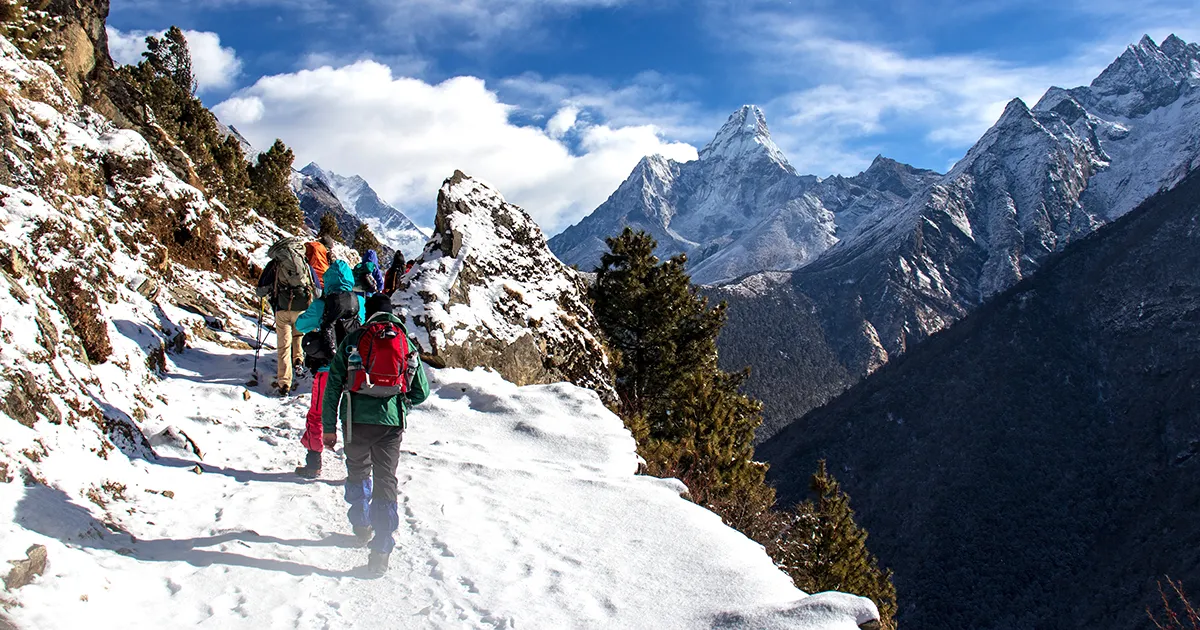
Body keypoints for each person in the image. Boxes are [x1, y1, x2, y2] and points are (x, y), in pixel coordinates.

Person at [323, 293, 429, 577]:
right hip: (391, 424)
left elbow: (333, 384)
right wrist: (400, 400)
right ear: (391, 313)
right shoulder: (405, 342)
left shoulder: (353, 340)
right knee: (386, 481)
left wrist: (329, 427)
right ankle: (381, 550)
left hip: (354, 420)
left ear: (368, 314)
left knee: (357, 470)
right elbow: (421, 392)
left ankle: (361, 524)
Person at [293, 260, 365, 478]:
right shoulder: (359, 302)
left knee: (318, 414)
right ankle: (358, 467)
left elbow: (300, 325)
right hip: (354, 369)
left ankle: (313, 462)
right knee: (354, 416)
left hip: (327, 369)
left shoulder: (322, 304)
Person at [256, 237, 317, 396]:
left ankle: (284, 382)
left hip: (282, 308)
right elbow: (316, 286)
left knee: (283, 345)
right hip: (302, 307)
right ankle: (298, 359)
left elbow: (261, 289)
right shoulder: (304, 262)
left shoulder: (275, 263)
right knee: (299, 335)